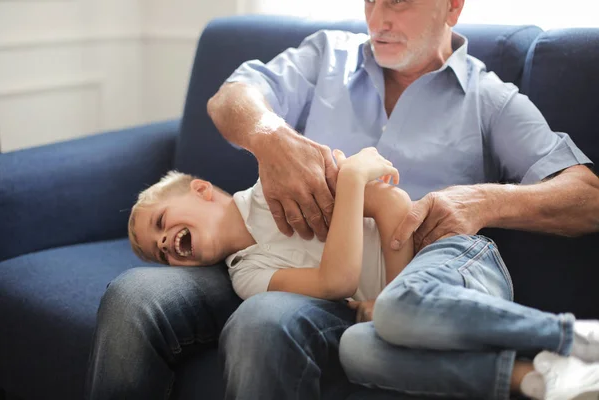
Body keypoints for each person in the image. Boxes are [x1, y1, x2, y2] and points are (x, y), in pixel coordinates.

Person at [85, 0, 599, 399]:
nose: (378, 20)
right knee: (133, 298)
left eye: (397, 1)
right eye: (371, 0)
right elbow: (230, 98)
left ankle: (570, 346)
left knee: (261, 324)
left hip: (404, 271)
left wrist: (483, 201)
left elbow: (587, 196)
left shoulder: (490, 100)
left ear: (452, 5)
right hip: (297, 271)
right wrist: (270, 138)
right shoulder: (326, 53)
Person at [127, 151, 599, 400]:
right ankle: (538, 381)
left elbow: (394, 204)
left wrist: (395, 293)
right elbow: (333, 284)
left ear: (203, 191)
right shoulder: (247, 277)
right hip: (403, 313)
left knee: (390, 314)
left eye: (162, 223)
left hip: (452, 257)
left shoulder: (285, 187)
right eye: (159, 254)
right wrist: (353, 178)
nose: (166, 245)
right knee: (355, 348)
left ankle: (571, 335)